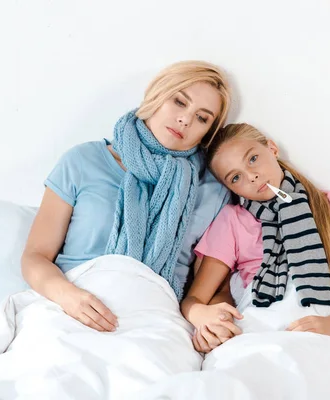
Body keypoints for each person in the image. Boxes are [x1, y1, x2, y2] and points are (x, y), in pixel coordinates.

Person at [21, 61, 233, 333]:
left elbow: (216, 289)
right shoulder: (83, 161)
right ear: (156, 95)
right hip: (68, 312)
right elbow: (35, 256)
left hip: (153, 323)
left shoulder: (212, 190)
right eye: (179, 102)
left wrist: (210, 321)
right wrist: (67, 296)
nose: (186, 119)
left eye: (202, 118)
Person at [181, 123, 330, 353]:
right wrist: (205, 319)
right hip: (257, 327)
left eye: (252, 159)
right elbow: (194, 300)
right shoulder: (232, 221)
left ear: (272, 148)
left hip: (321, 330)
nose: (251, 177)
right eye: (235, 178)